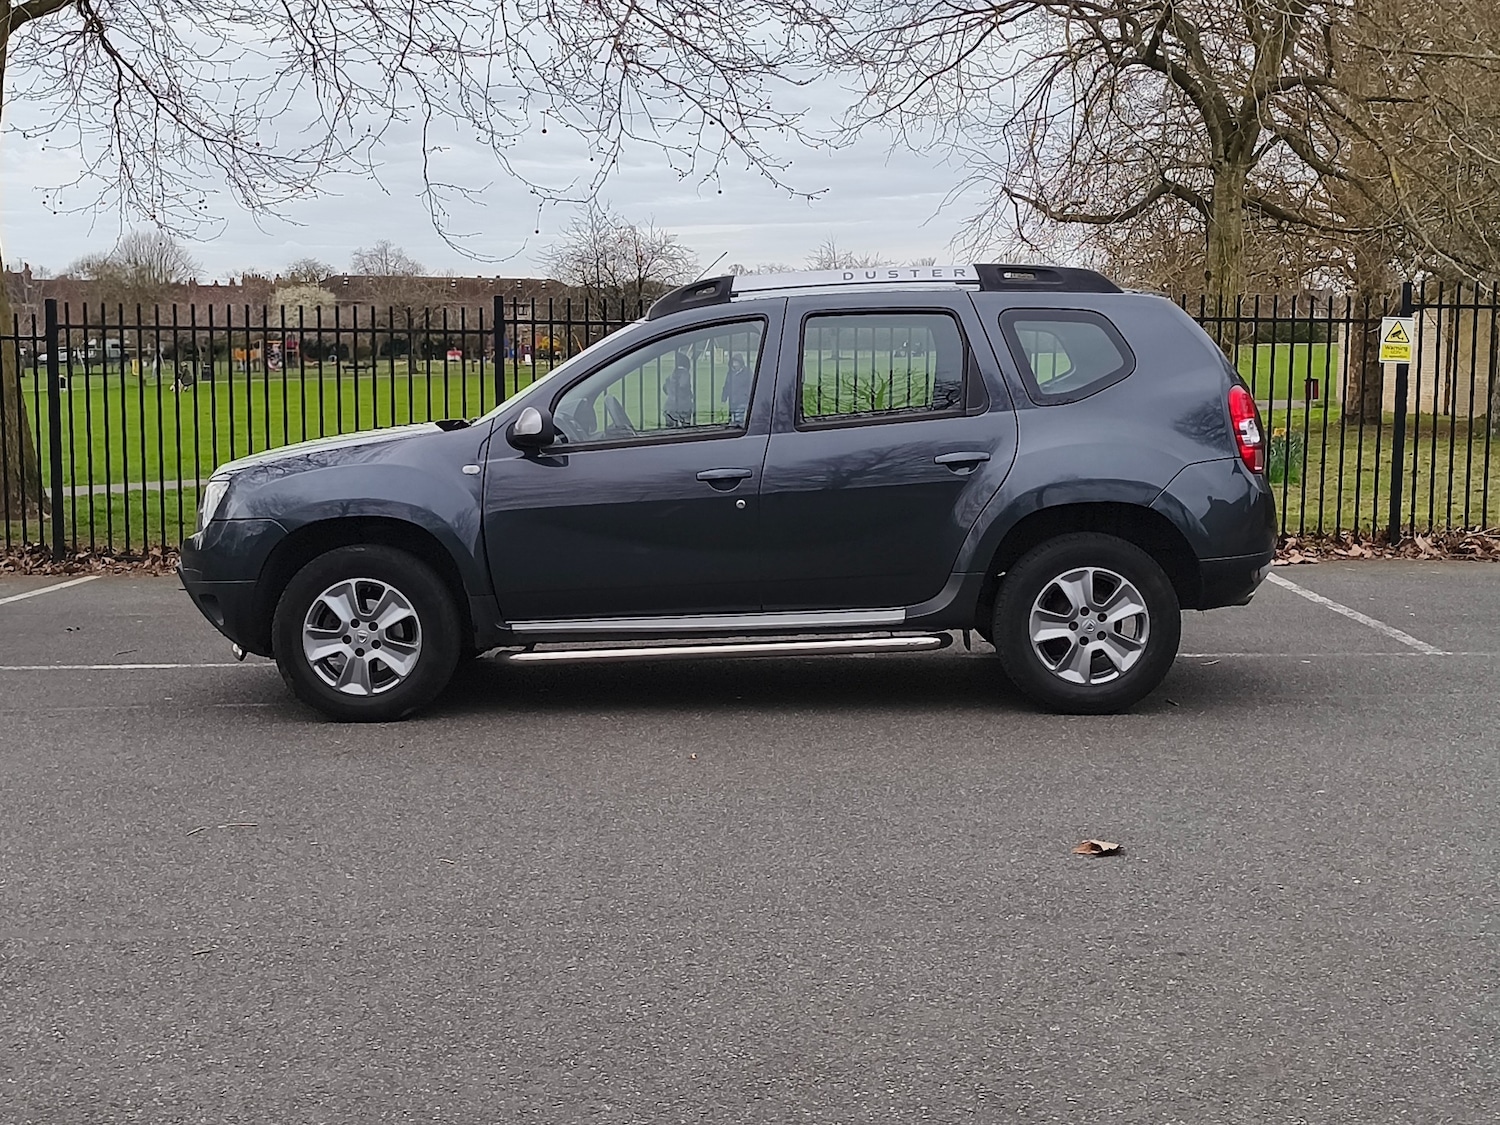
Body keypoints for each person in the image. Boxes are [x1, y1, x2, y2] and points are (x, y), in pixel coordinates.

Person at [721, 354, 752, 425]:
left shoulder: (747, 373)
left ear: (740, 363)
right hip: (732, 401)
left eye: (736, 362)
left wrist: (747, 396)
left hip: (742, 401)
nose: (734, 365)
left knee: (738, 420)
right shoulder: (730, 373)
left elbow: (751, 385)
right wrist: (724, 398)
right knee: (732, 419)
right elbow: (726, 386)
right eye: (733, 362)